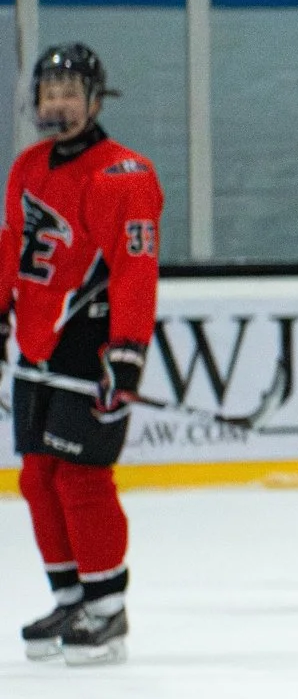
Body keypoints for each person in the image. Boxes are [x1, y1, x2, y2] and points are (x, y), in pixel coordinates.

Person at [6, 43, 161, 665]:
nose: (58, 103)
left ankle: (107, 609)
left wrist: (126, 350)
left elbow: (133, 270)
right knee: (38, 476)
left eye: (70, 92)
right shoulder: (27, 166)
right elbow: (11, 245)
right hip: (37, 343)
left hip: (89, 345)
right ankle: (70, 595)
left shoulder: (125, 173)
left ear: (96, 101)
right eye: (50, 92)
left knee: (81, 476)